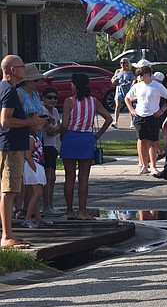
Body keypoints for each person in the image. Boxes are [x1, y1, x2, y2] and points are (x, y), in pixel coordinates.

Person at [0, 55, 45, 248]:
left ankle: (8, 234)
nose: (24, 70)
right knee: (8, 192)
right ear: (11, 70)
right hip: (11, 146)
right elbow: (5, 121)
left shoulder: (5, 89)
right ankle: (7, 236)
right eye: (21, 66)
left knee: (7, 191)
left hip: (8, 145)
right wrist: (31, 122)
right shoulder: (9, 90)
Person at [59, 73, 112, 220]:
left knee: (69, 177)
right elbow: (109, 118)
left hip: (71, 137)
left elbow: (64, 124)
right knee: (83, 178)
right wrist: (98, 135)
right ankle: (82, 211)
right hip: (86, 138)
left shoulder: (69, 101)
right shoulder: (93, 101)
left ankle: (70, 211)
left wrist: (63, 135)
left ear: (75, 85)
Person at [124, 64, 167, 176]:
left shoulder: (157, 86)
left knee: (153, 141)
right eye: (138, 75)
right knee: (142, 141)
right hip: (140, 116)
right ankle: (144, 165)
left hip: (153, 116)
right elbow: (127, 98)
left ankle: (153, 166)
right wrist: (132, 110)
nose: (140, 77)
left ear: (148, 74)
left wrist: (162, 110)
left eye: (141, 75)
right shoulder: (137, 86)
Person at [21, 131, 50, 228]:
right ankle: (27, 218)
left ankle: (38, 217)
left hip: (38, 165)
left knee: (35, 194)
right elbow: (28, 155)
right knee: (38, 194)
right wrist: (35, 169)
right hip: (33, 166)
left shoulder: (36, 138)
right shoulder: (31, 139)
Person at [40, 86, 61, 215]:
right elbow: (51, 130)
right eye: (49, 97)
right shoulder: (42, 111)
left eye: (55, 97)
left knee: (52, 177)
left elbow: (59, 127)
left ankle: (51, 205)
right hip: (44, 146)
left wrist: (57, 128)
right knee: (47, 177)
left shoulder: (55, 111)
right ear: (43, 98)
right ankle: (46, 206)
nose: (52, 100)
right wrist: (57, 128)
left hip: (52, 146)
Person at [111, 58, 134, 128]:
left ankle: (132, 122)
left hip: (127, 89)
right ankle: (115, 122)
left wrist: (131, 83)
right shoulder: (118, 71)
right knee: (117, 106)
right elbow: (112, 81)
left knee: (129, 106)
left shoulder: (129, 72)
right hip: (119, 89)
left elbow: (133, 80)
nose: (122, 64)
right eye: (121, 63)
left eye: (123, 63)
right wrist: (115, 79)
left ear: (127, 63)